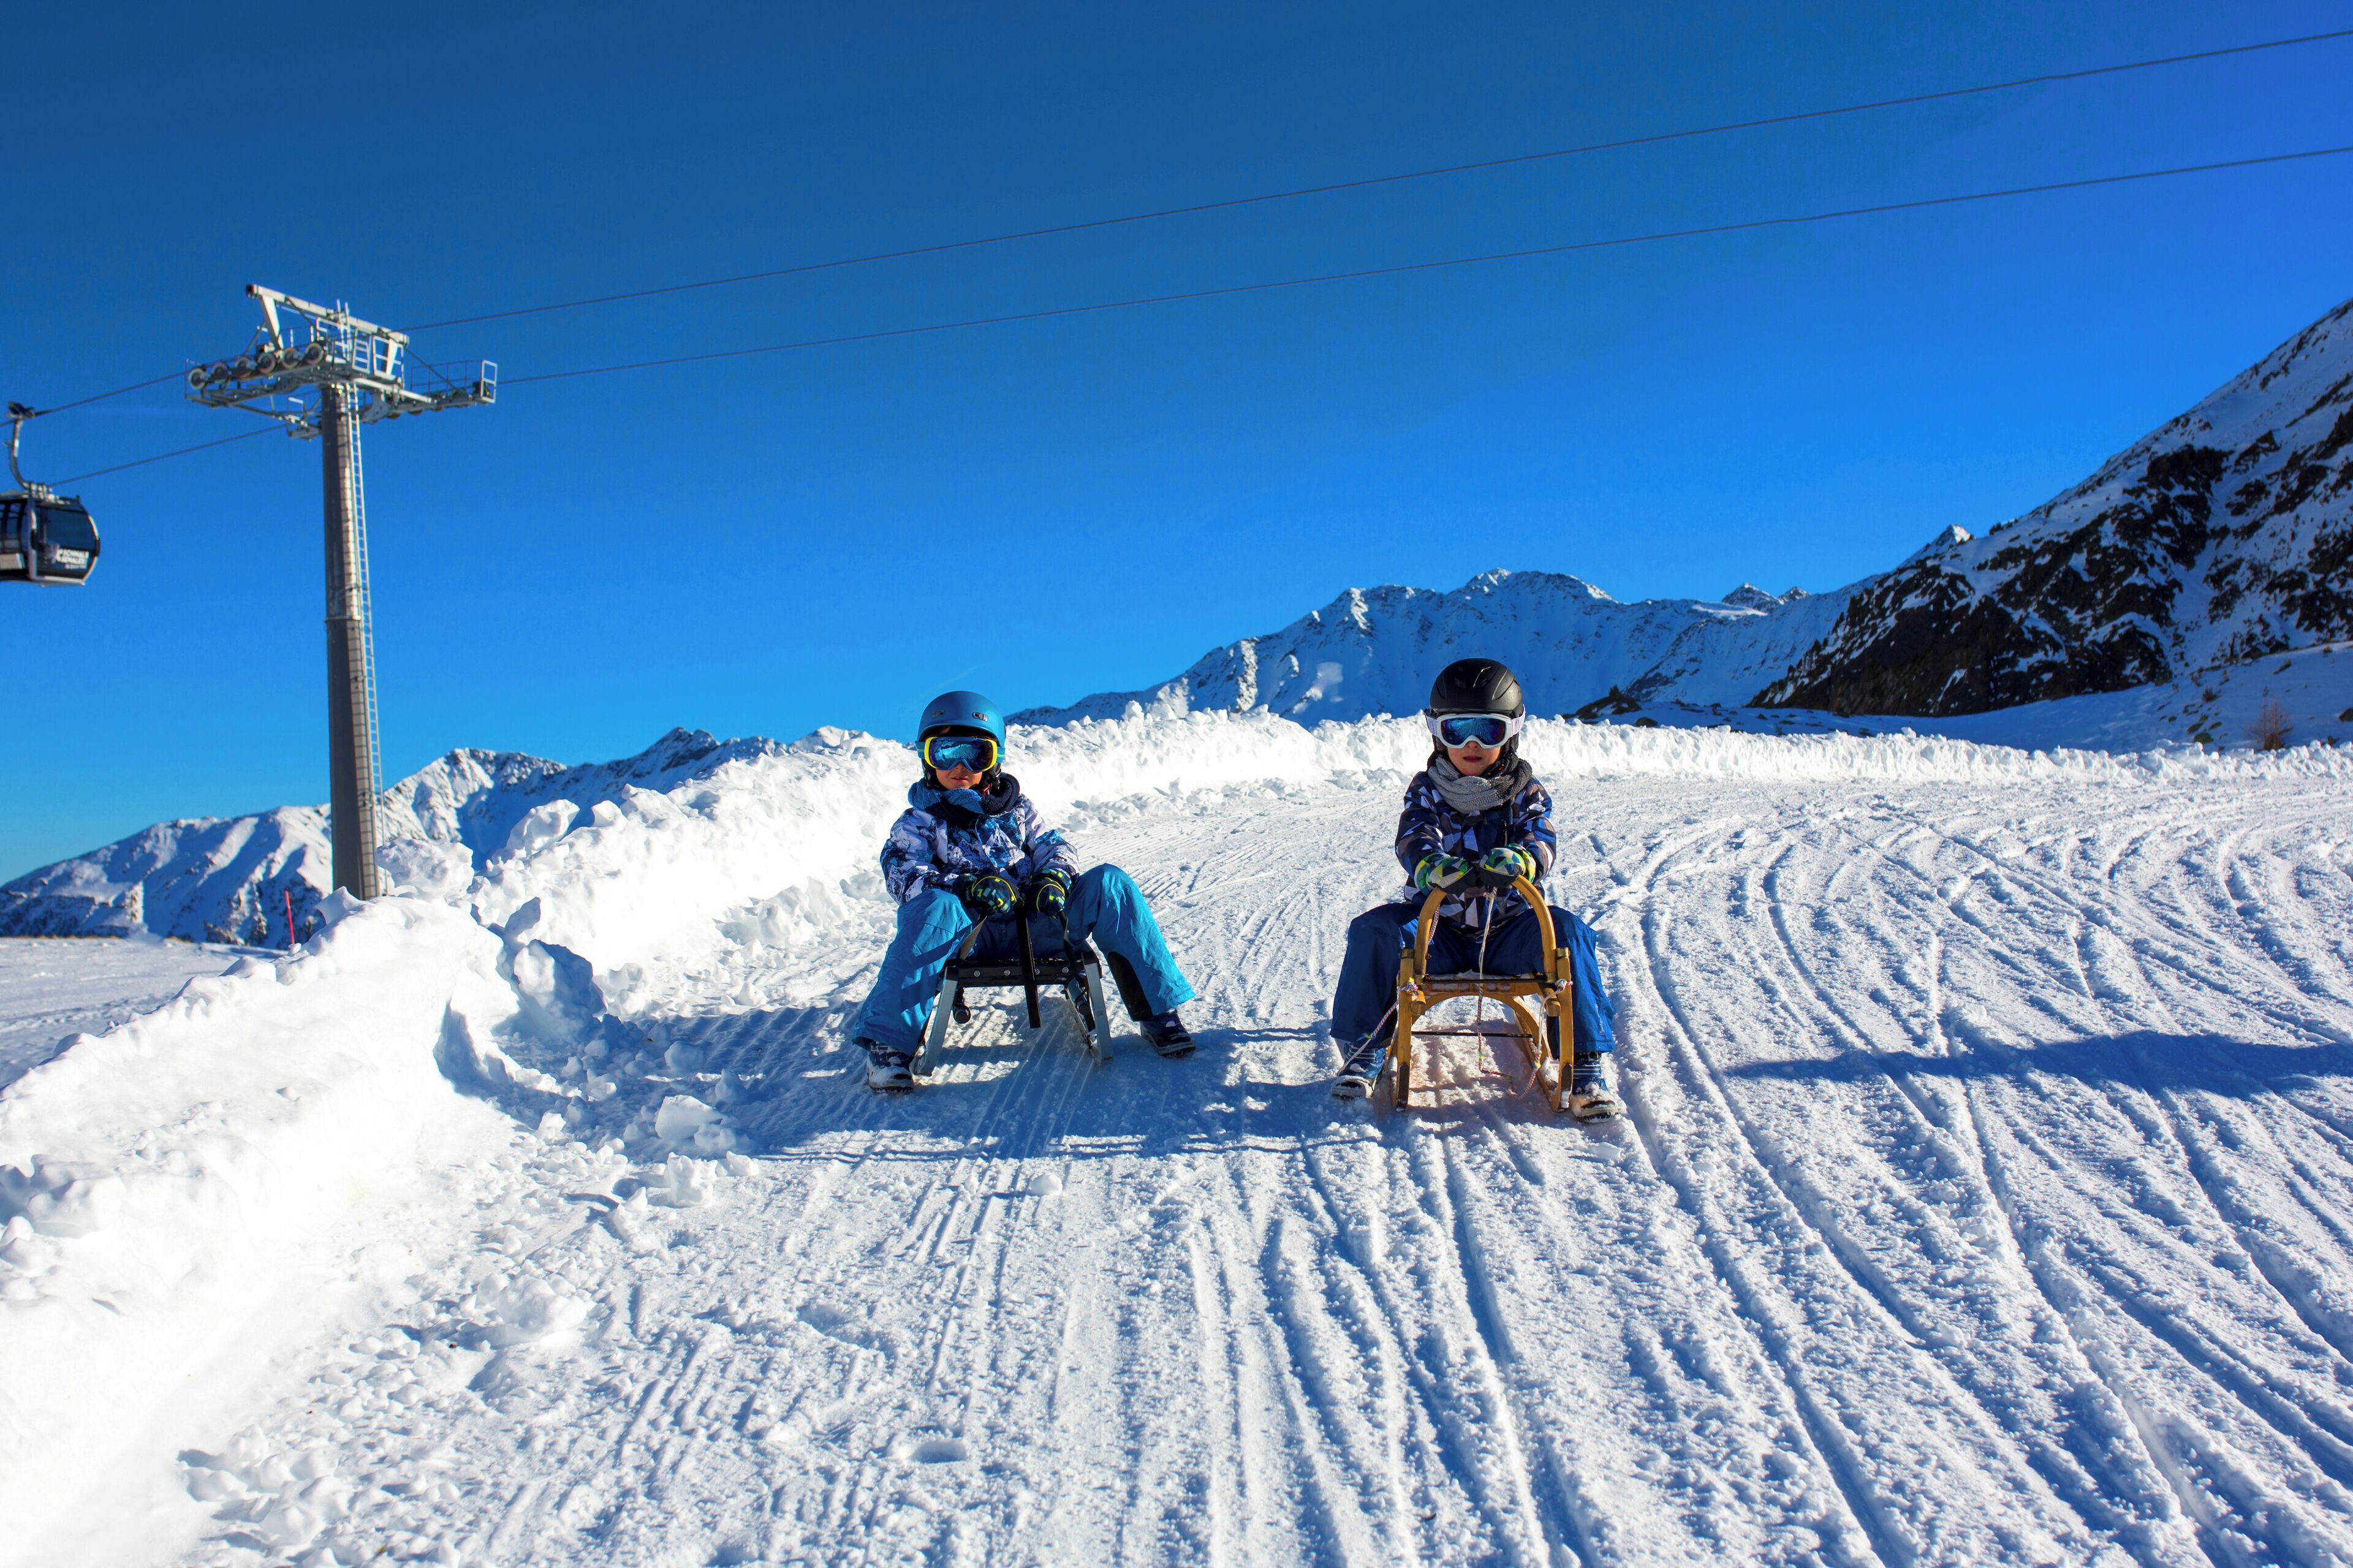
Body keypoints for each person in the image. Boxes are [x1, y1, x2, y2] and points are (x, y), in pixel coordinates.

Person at [849, 689, 1199, 1091]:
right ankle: (888, 1046)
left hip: (1035, 926)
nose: (961, 767)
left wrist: (1054, 878)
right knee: (932, 909)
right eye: (946, 753)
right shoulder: (920, 820)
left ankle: (1158, 1011)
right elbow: (902, 873)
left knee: (1110, 882)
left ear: (994, 760)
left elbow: (1056, 846)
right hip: (967, 936)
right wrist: (966, 887)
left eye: (975, 754)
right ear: (926, 758)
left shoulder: (1017, 809)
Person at [1328, 657, 1623, 1118]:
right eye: (1456, 729)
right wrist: (1428, 865)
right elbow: (1413, 833)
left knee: (1569, 933)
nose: (1470, 744)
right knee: (1374, 930)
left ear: (1511, 732)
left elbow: (1542, 838)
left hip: (1508, 931)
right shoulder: (1427, 788)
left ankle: (1583, 1063)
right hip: (1437, 933)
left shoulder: (1525, 790)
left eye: (1486, 731)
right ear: (1436, 733)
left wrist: (1524, 858)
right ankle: (1366, 1047)